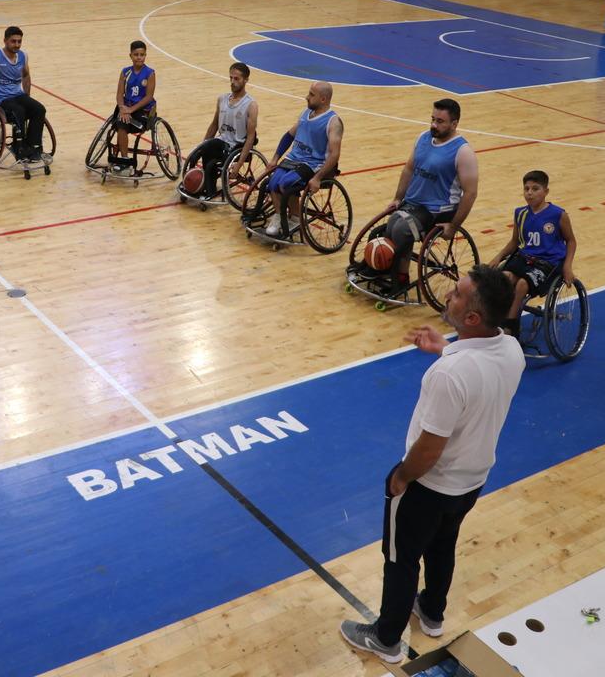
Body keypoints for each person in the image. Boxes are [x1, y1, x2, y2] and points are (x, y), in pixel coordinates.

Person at [340, 265, 525, 664]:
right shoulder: (511, 348)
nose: (448, 296)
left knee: (401, 558)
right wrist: (446, 346)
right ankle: (432, 611)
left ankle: (386, 638)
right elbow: (477, 374)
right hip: (472, 481)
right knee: (443, 544)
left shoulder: (448, 375)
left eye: (457, 295)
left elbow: (429, 448)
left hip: (429, 485)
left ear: (472, 318)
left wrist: (401, 477)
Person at [376, 98, 478, 290]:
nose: (434, 124)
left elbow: (471, 193)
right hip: (414, 204)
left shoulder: (463, 152)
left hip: (440, 209)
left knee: (401, 230)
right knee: (386, 228)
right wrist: (397, 198)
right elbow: (408, 169)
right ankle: (384, 268)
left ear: (454, 124)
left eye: (440, 121)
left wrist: (454, 226)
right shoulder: (423, 138)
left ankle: (400, 278)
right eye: (432, 119)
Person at [488, 170, 577, 337]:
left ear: (546, 191)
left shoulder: (558, 214)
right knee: (505, 277)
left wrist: (568, 266)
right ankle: (499, 317)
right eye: (526, 189)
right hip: (525, 259)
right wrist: (498, 256)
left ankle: (511, 325)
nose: (529, 193)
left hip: (548, 263)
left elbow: (571, 241)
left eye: (535, 189)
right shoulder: (520, 213)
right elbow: (515, 241)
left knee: (522, 284)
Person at [261, 81, 342, 237]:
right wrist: (275, 158)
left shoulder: (333, 122)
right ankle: (278, 217)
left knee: (286, 185)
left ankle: (296, 218)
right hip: (293, 159)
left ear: (323, 99)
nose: (307, 97)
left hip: (312, 164)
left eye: (312, 95)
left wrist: (318, 178)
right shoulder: (305, 114)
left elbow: (334, 154)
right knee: (272, 184)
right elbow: (289, 136)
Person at [183, 62, 259, 198]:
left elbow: (251, 137)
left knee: (210, 157)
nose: (232, 82)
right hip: (219, 143)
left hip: (235, 147)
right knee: (196, 153)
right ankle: (193, 184)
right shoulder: (222, 99)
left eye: (237, 79)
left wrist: (239, 163)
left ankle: (208, 189)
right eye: (231, 78)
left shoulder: (251, 105)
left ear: (246, 80)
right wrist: (202, 144)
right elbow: (214, 125)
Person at [0, 26, 47, 164]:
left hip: (18, 96)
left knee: (39, 109)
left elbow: (26, 75)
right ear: (5, 41)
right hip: (1, 100)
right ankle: (19, 147)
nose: (17, 45)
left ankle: (33, 146)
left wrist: (27, 97)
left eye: (19, 41)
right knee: (18, 111)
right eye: (13, 41)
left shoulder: (23, 56)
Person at [108, 40, 157, 177]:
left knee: (124, 121)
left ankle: (124, 159)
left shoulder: (150, 73)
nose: (139, 57)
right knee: (121, 123)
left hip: (144, 110)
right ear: (130, 55)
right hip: (127, 108)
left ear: (145, 55)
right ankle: (124, 160)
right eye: (136, 54)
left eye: (142, 54)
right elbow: (119, 94)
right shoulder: (125, 72)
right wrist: (123, 108)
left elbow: (148, 97)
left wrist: (131, 110)